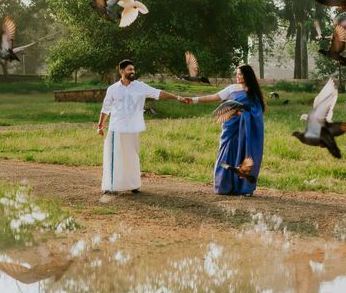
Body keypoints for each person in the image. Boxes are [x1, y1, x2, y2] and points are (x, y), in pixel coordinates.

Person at [97, 59, 188, 194]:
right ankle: (111, 186)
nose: (132, 72)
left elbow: (159, 93)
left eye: (133, 69)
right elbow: (106, 109)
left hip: (133, 129)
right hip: (117, 128)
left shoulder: (140, 87)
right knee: (114, 157)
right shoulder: (113, 89)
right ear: (121, 71)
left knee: (132, 156)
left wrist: (177, 97)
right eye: (129, 69)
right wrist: (100, 125)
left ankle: (134, 185)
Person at [187, 64, 265, 195]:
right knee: (225, 154)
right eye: (237, 73)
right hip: (230, 128)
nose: (237, 76)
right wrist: (193, 100)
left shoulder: (253, 92)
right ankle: (224, 186)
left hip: (245, 132)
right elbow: (214, 97)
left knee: (244, 155)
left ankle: (244, 188)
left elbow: (257, 113)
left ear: (247, 75)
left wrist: (244, 114)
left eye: (240, 74)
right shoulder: (232, 89)